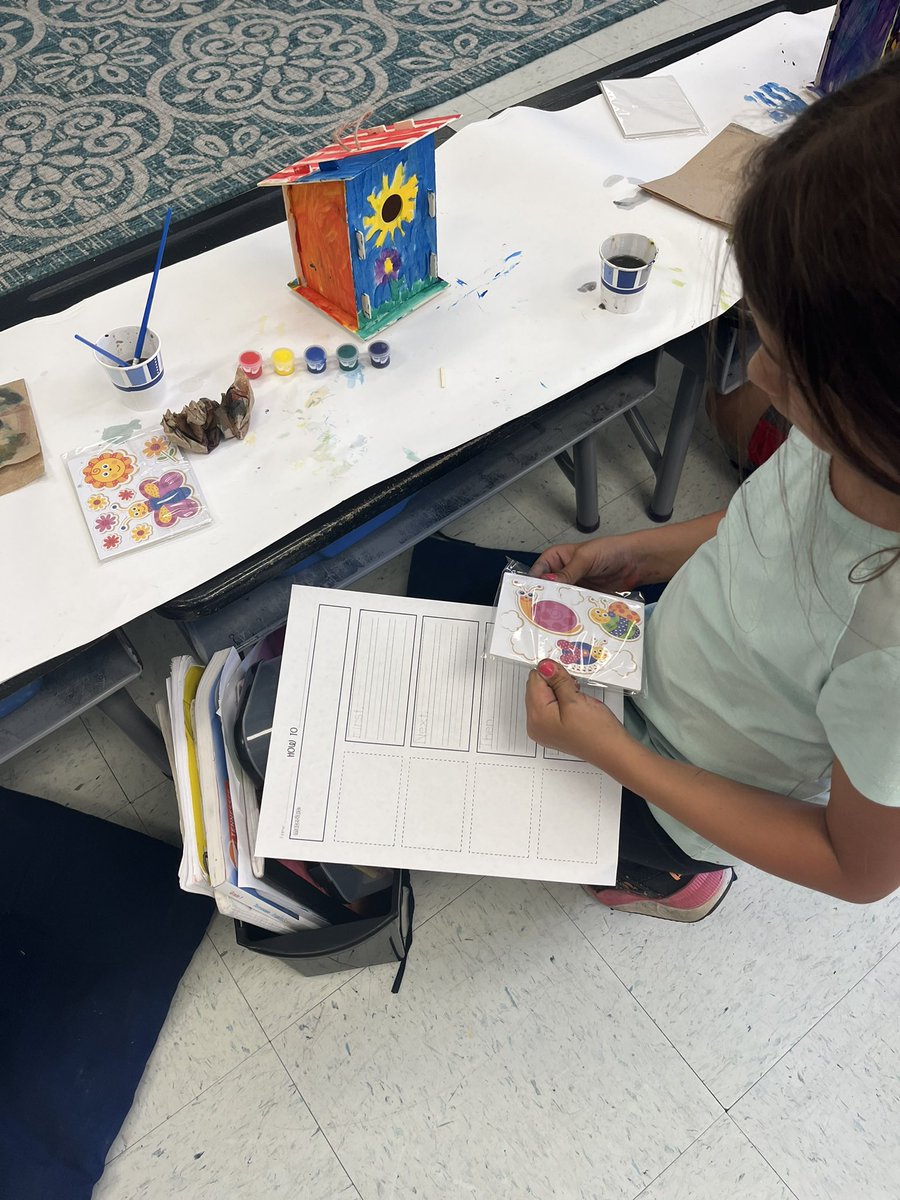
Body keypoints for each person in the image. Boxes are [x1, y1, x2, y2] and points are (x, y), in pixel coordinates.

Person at [524, 56, 900, 922]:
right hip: (658, 673)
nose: (757, 377)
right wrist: (638, 550)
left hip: (690, 792)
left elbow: (858, 869)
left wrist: (621, 760)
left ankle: (675, 875)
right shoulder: (846, 442)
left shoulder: (886, 654)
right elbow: (765, 524)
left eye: (790, 365)